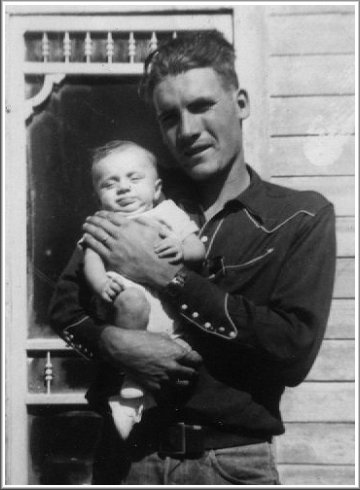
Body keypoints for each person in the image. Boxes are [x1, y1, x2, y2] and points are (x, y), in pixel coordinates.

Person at [49, 30, 336, 485]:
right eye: (169, 117)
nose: (186, 130)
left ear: (240, 103)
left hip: (232, 464)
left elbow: (293, 351)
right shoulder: (134, 205)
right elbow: (64, 308)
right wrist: (112, 342)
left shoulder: (298, 215)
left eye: (202, 106)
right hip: (126, 462)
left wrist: (166, 277)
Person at [81, 139, 205, 439]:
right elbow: (91, 258)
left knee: (182, 356)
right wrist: (101, 283)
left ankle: (143, 407)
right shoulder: (105, 224)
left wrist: (180, 247)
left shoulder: (169, 213)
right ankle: (127, 398)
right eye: (110, 184)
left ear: (157, 188)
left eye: (134, 179)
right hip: (126, 298)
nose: (123, 188)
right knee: (133, 305)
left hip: (168, 308)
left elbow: (197, 248)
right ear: (99, 196)